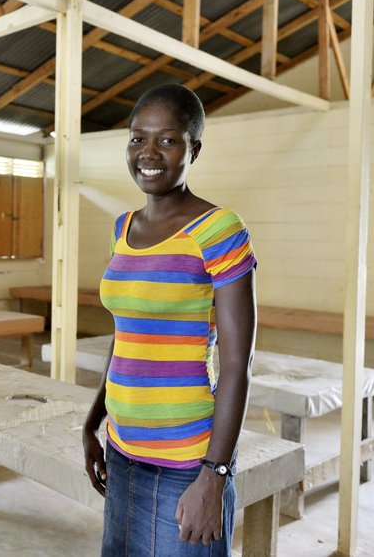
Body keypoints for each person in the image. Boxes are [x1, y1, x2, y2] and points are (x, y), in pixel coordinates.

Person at [82, 83, 257, 556]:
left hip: (187, 460)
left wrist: (215, 475)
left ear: (193, 148)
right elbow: (125, 338)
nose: (149, 153)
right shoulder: (122, 227)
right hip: (122, 450)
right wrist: (92, 423)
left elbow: (237, 364)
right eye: (138, 138)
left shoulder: (219, 229)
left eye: (168, 139)